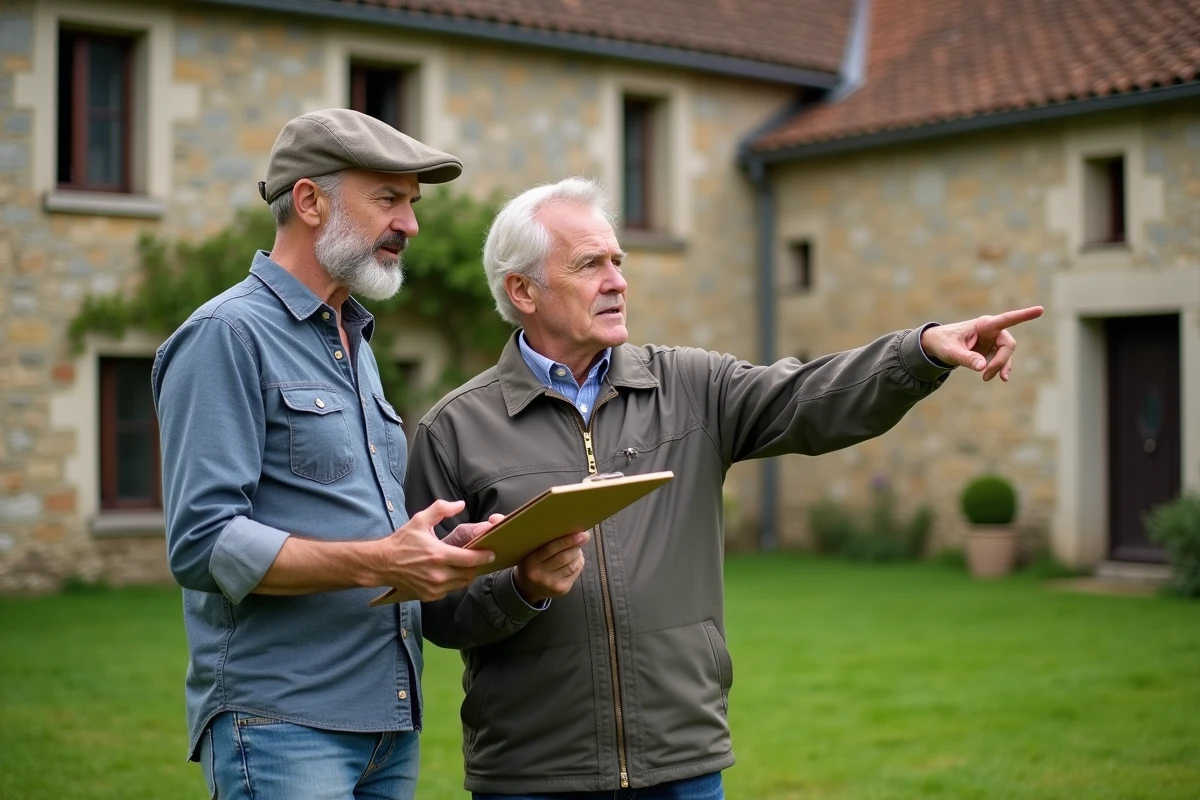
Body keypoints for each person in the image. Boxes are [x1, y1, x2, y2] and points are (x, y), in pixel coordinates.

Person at [405, 177, 1044, 799]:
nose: (618, 281)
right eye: (590, 264)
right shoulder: (454, 430)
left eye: (619, 261)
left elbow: (812, 399)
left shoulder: (692, 387)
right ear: (523, 290)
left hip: (682, 762)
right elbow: (435, 611)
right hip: (532, 774)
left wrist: (923, 351)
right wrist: (521, 591)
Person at [152, 109, 578, 800]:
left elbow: (351, 524)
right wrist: (382, 560)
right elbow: (202, 543)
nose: (410, 223)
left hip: (387, 722)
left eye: (412, 202)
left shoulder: (356, 344)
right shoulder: (226, 337)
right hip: (283, 721)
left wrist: (451, 548)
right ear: (309, 201)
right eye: (388, 198)